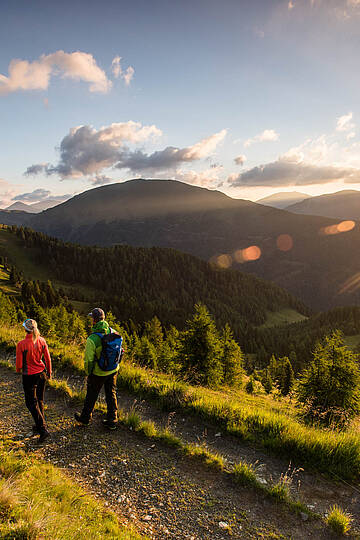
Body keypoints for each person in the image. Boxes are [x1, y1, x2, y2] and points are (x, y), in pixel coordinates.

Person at [74, 308, 119, 430]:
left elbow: (88, 360)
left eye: (91, 318)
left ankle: (85, 418)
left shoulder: (92, 339)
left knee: (92, 395)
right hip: (113, 369)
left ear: (94, 320)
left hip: (98, 372)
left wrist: (89, 373)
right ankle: (112, 420)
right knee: (111, 394)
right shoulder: (113, 331)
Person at [16, 319, 52, 443]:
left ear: (25, 329)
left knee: (30, 402)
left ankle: (43, 430)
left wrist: (18, 370)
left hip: (29, 375)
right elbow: (47, 358)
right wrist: (49, 372)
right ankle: (39, 425)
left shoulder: (21, 344)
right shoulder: (42, 341)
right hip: (41, 374)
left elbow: (19, 364)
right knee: (39, 400)